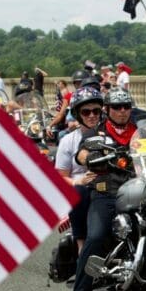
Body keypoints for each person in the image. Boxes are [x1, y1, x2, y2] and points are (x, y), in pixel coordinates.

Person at [69, 87, 137, 291]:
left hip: (140, 192)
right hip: (107, 193)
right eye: (116, 107)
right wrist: (89, 158)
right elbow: (82, 154)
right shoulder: (97, 133)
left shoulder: (139, 131)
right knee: (96, 236)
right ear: (108, 110)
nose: (122, 111)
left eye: (126, 106)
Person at [55, 87, 102, 255]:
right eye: (86, 112)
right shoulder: (68, 141)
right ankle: (81, 248)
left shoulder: (109, 136)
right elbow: (60, 178)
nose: (92, 115)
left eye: (96, 111)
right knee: (79, 191)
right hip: (83, 191)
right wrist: (78, 181)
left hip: (107, 188)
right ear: (77, 114)